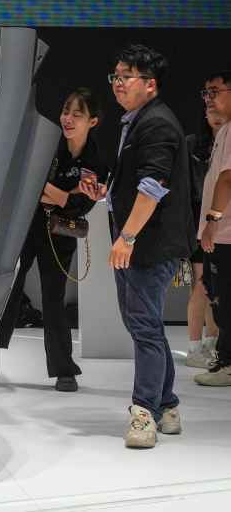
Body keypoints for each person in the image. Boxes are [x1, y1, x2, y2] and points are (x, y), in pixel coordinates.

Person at [80, 44, 194, 449]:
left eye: (126, 76)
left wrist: (126, 237)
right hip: (138, 243)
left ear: (150, 84)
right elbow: (135, 182)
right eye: (115, 76)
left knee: (143, 328)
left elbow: (153, 186)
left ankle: (144, 413)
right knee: (143, 326)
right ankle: (168, 406)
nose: (117, 83)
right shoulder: (138, 120)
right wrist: (104, 192)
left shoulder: (158, 124)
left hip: (147, 246)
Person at [0, 88, 106, 392]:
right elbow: (26, 181)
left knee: (54, 299)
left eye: (77, 114)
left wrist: (52, 193)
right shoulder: (48, 145)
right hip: (26, 226)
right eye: (66, 111)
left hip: (60, 234)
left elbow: (81, 206)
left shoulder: (96, 159)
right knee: (7, 290)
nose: (68, 119)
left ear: (92, 121)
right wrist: (64, 194)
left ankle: (63, 369)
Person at [194, 71, 231, 387]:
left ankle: (229, 363)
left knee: (224, 297)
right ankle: (224, 358)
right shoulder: (224, 132)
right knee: (215, 294)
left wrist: (212, 222)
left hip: (225, 233)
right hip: (221, 232)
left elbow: (227, 179)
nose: (210, 99)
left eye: (215, 91)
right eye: (206, 93)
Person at [184, 102, 225, 368]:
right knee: (201, 283)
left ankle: (212, 343)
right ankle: (194, 346)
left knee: (217, 286)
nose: (217, 117)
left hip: (223, 222)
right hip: (199, 221)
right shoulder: (192, 145)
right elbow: (185, 187)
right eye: (213, 112)